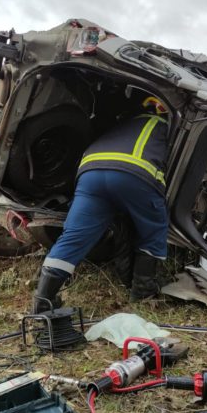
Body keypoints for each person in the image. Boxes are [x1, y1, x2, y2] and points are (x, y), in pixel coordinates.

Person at [32, 97, 170, 313]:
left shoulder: (122, 122)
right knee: (154, 230)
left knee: (73, 237)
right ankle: (143, 293)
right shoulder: (164, 126)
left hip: (90, 173)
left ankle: (43, 301)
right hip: (135, 174)